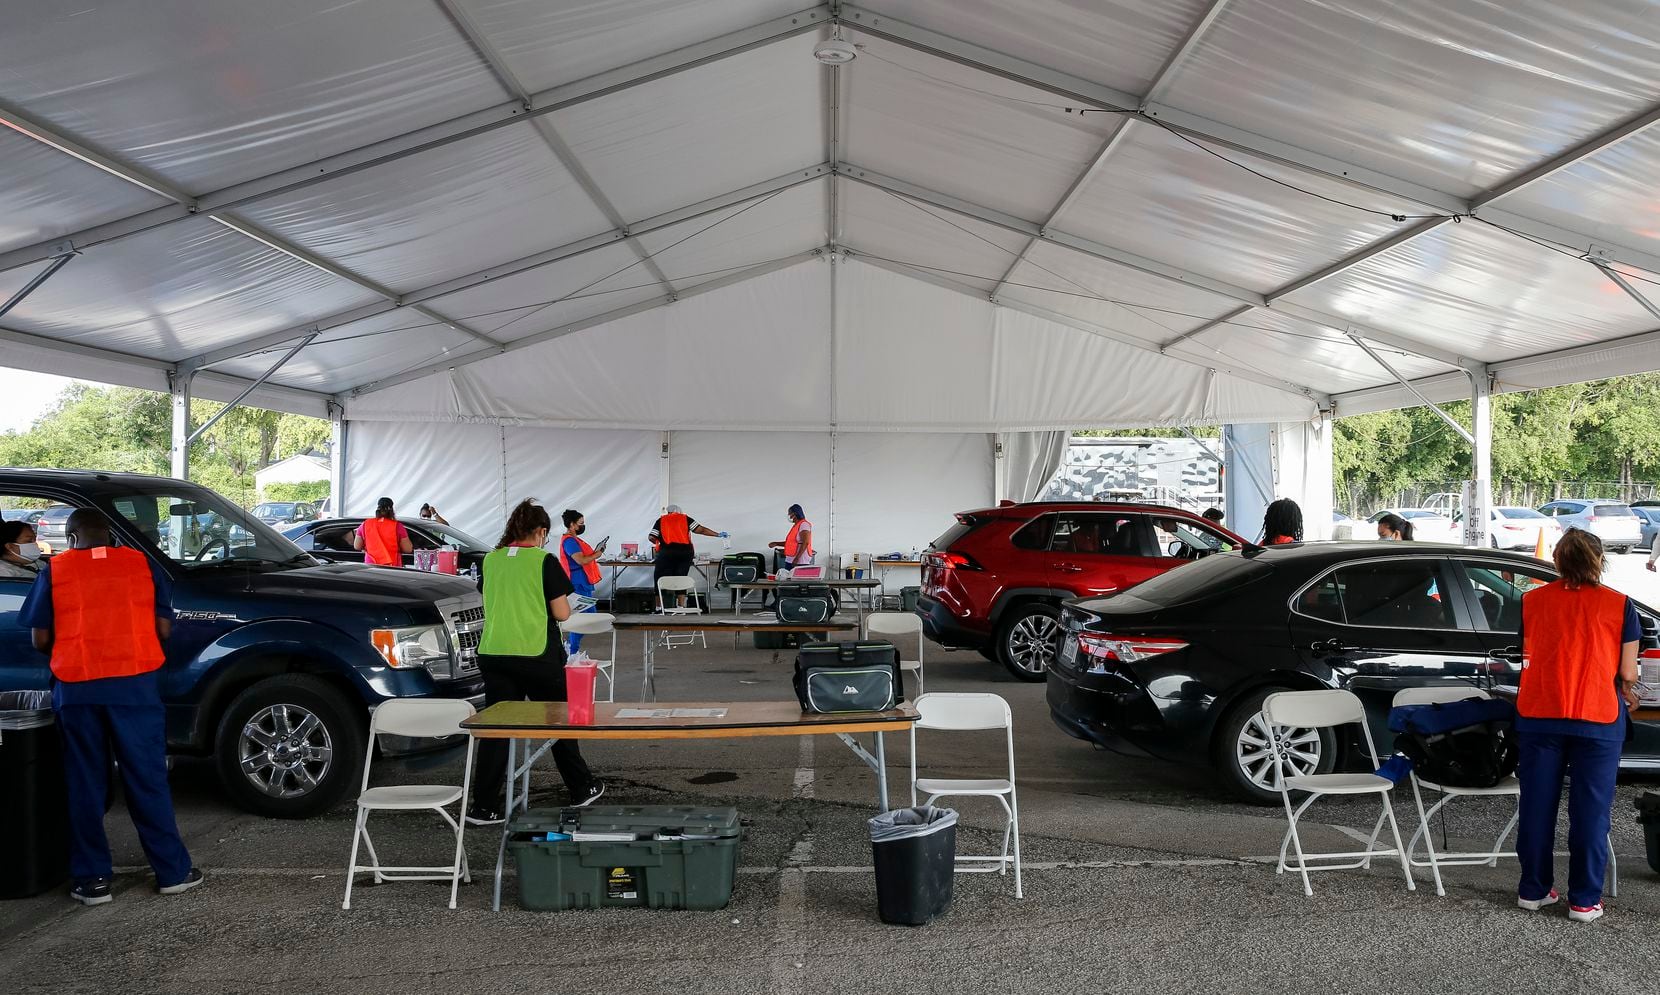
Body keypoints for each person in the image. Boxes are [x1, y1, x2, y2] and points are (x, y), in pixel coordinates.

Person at [19, 508, 202, 906]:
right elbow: (164, 629)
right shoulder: (140, 565)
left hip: (77, 690)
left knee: (84, 783)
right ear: (110, 536)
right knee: (147, 779)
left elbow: (39, 638)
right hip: (134, 689)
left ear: (71, 538)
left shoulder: (57, 570)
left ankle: (92, 880)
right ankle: (172, 872)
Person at [1515, 528, 1639, 923]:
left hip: (1539, 714)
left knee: (1536, 805)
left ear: (1557, 561)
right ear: (1600, 560)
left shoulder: (1531, 601)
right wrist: (1629, 689)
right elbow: (1628, 672)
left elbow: (1527, 653)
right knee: (1590, 812)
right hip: (1597, 717)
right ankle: (1584, 901)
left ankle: (1533, 891)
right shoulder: (1620, 605)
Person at [466, 499, 605, 825]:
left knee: (496, 730)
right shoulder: (543, 561)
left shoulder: (491, 560)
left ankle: (483, 806)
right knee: (559, 722)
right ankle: (581, 787)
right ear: (541, 531)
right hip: (536, 653)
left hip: (494, 653)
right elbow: (561, 613)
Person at [648, 505, 726, 603]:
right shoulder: (686, 519)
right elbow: (701, 530)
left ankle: (660, 608)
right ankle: (681, 607)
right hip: (685, 552)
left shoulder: (661, 520)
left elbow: (651, 537)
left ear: (668, 512)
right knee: (681, 577)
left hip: (667, 552)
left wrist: (659, 542)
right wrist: (718, 534)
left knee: (660, 578)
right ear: (679, 511)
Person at [558, 508, 605, 654]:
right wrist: (597, 554)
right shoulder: (570, 542)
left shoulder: (574, 540)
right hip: (577, 583)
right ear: (572, 525)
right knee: (584, 618)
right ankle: (571, 649)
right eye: (581, 523)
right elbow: (581, 560)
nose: (583, 526)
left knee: (586, 617)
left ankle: (571, 648)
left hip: (583, 581)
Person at [353, 496, 412, 566]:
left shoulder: (365, 524)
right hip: (392, 566)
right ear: (392, 511)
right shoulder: (397, 526)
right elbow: (408, 549)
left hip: (371, 566)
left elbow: (357, 546)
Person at [769, 504, 815, 570]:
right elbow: (790, 543)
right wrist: (776, 543)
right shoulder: (796, 525)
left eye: (790, 514)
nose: (789, 516)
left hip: (800, 560)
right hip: (790, 559)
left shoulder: (804, 524)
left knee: (796, 579)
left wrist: (797, 558)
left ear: (795, 514)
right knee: (788, 578)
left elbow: (806, 542)